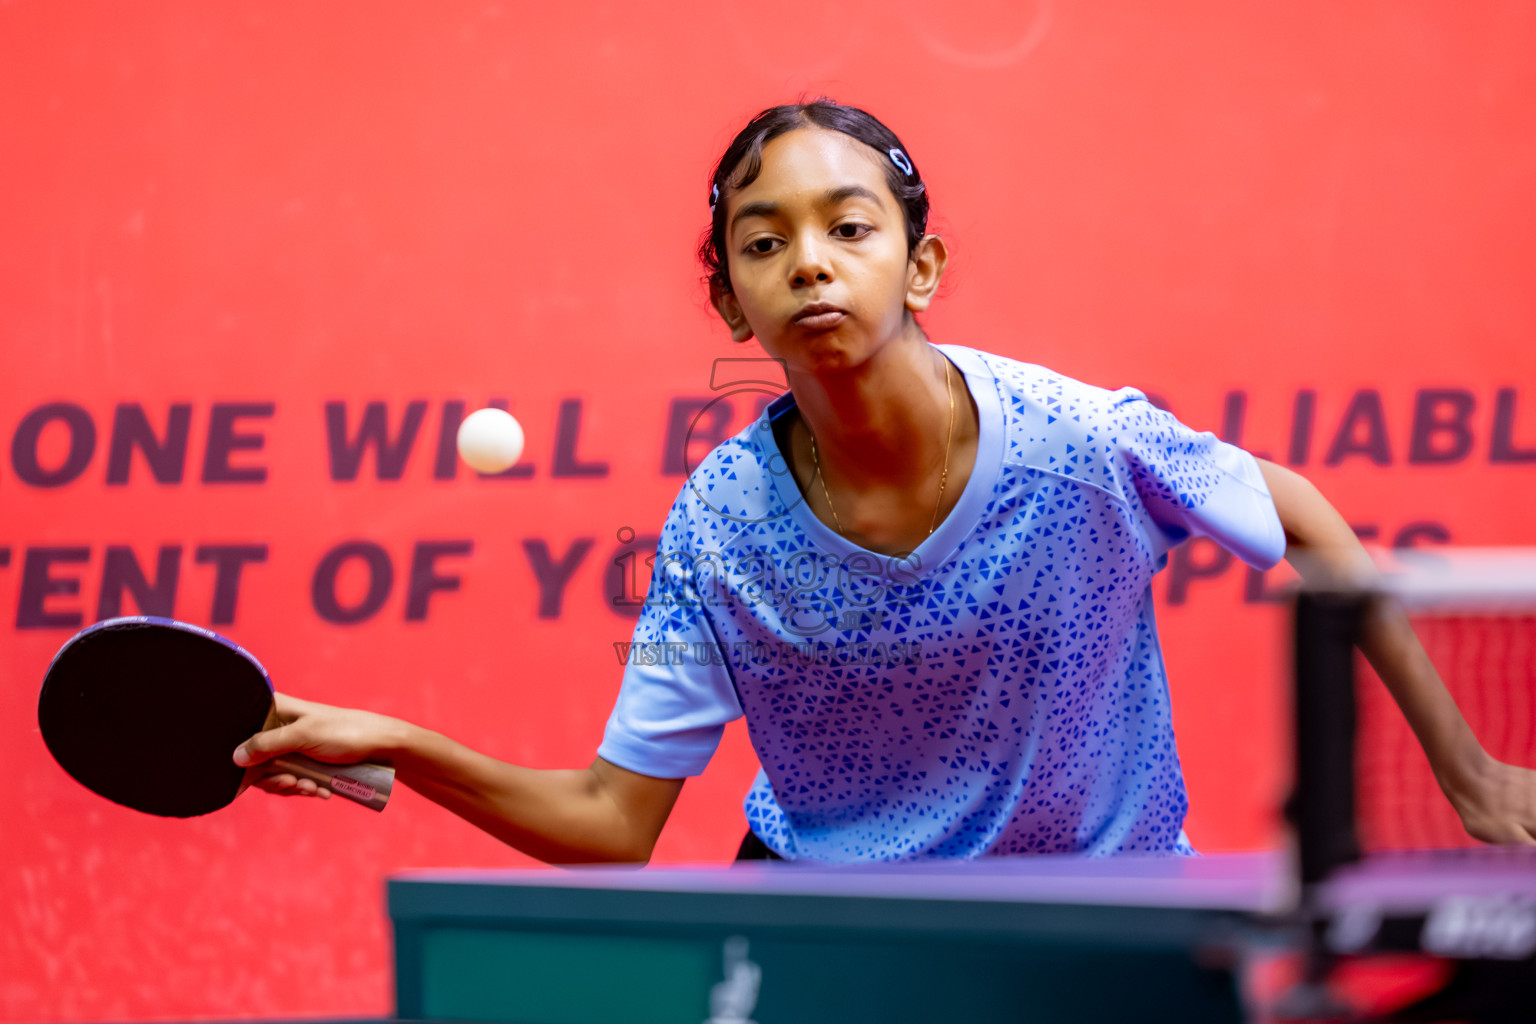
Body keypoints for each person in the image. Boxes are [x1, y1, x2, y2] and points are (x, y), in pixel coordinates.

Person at [235, 100, 1536, 860]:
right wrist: (399, 744)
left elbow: (1295, 509)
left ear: (919, 266)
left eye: (849, 227)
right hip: (834, 926)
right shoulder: (721, 531)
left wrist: (1468, 776)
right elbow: (611, 819)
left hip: (1105, 914)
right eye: (765, 241)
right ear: (731, 301)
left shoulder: (1078, 446)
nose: (811, 262)